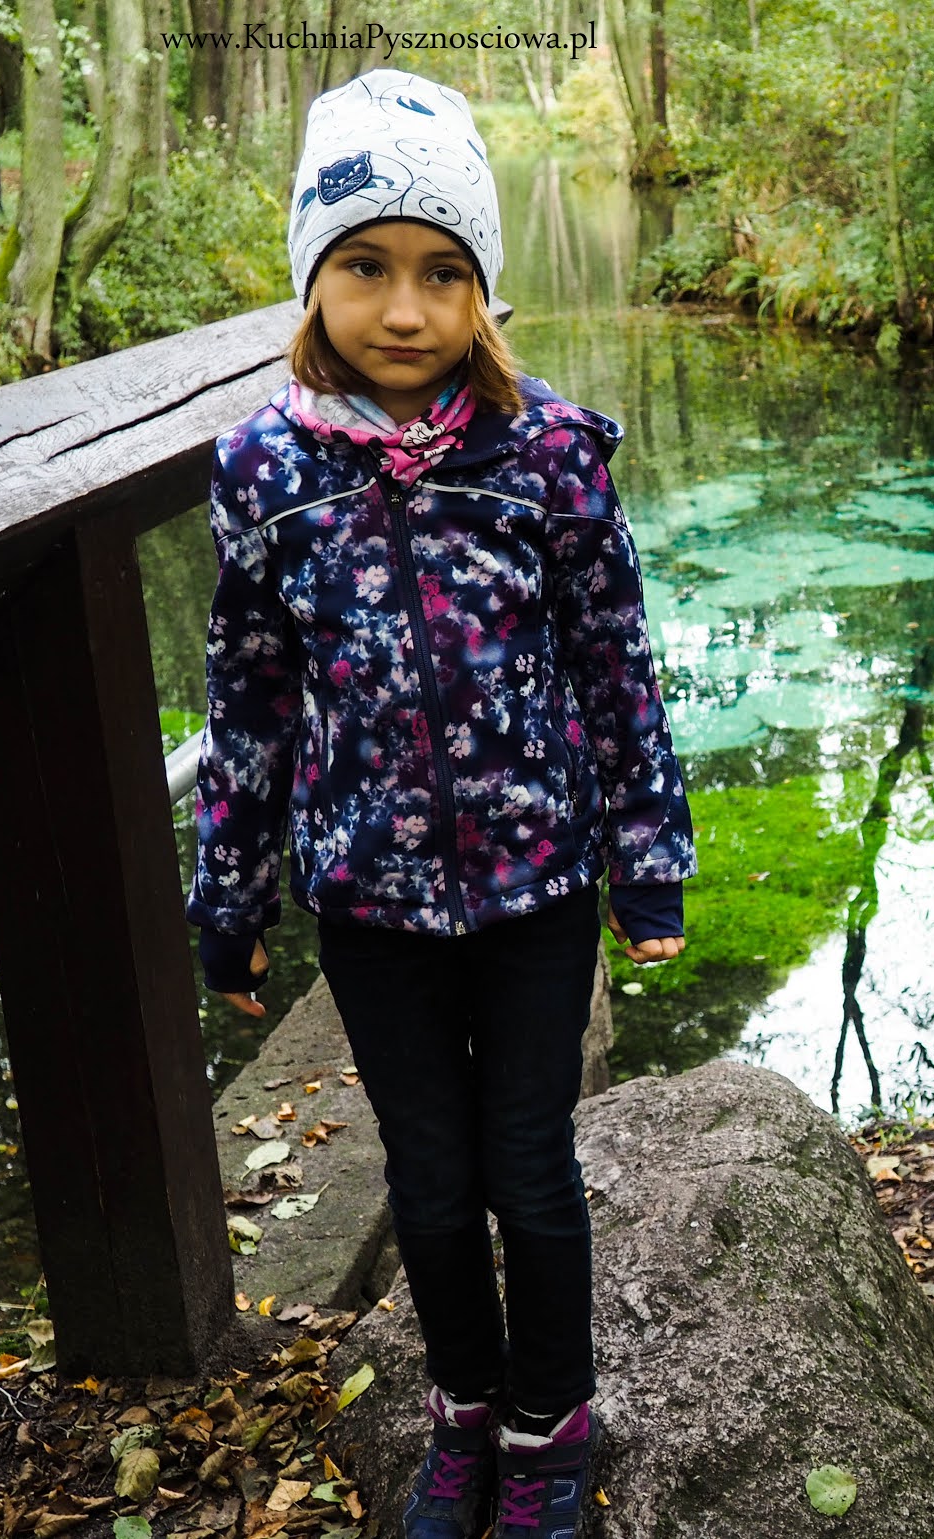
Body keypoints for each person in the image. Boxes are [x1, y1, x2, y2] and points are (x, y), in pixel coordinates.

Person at [185, 68, 697, 1539]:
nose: (404, 311)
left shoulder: (549, 459)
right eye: (365, 268)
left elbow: (616, 670)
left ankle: (552, 1428)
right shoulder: (264, 475)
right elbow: (251, 702)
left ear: (483, 292)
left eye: (441, 274)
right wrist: (230, 908)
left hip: (537, 888)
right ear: (314, 279)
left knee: (529, 1168)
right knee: (427, 1175)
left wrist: (644, 867)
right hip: (370, 899)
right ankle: (463, 1415)